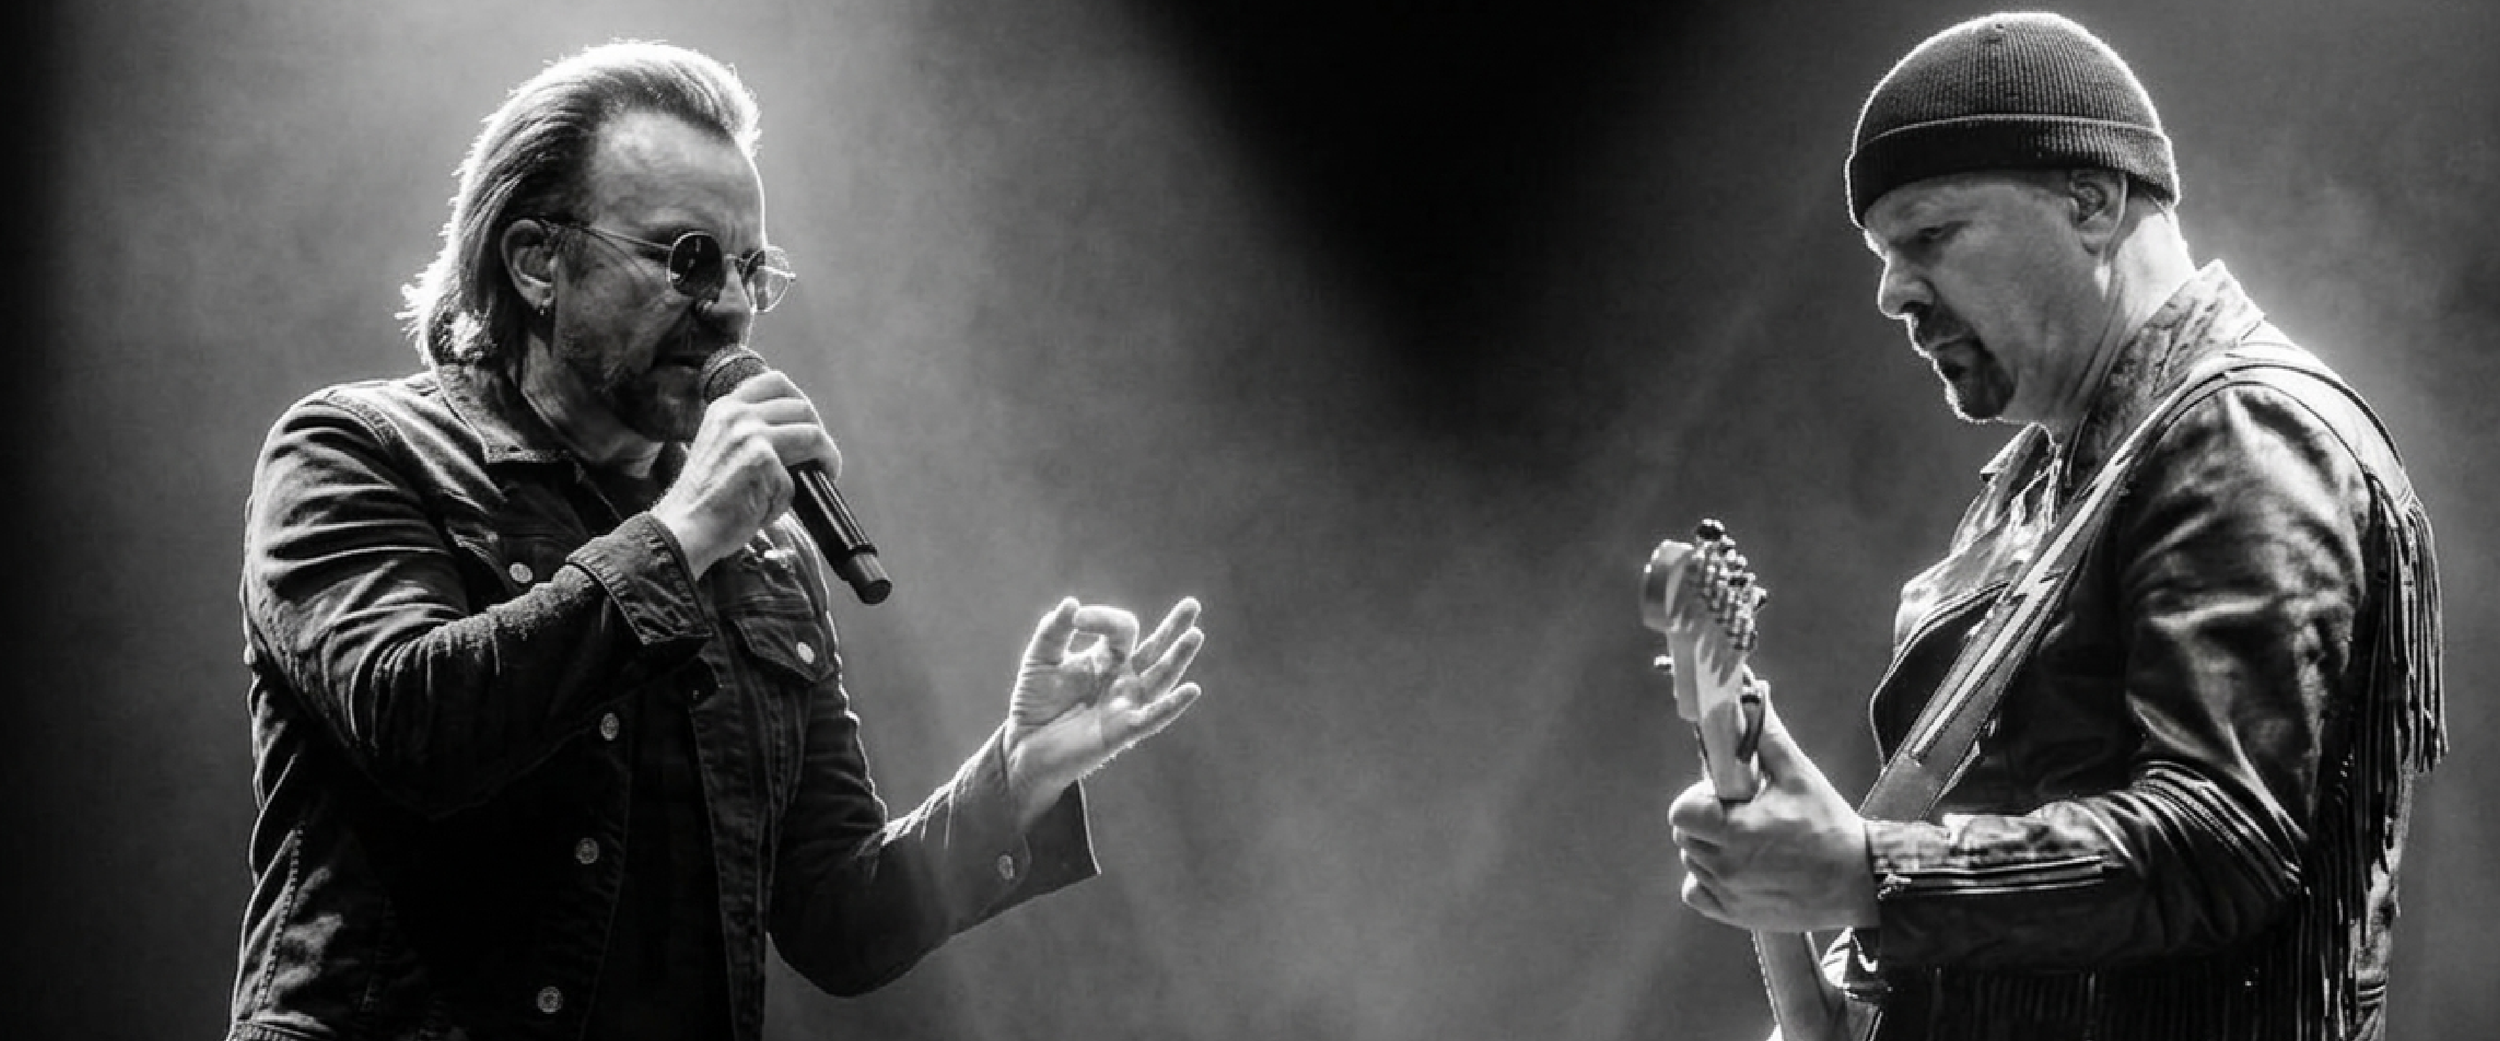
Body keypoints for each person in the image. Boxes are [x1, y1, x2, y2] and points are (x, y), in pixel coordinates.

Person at [230, 42, 1208, 1041]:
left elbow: (837, 920)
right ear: (535, 260)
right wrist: (681, 532)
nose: (733, 306)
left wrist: (1021, 773)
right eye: (687, 258)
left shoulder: (762, 555)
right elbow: (419, 727)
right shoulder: (354, 450)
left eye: (750, 270)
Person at [1667, 13, 2440, 1041]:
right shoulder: (2041, 477)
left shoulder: (2244, 435)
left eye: (1930, 236)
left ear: (2091, 198)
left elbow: (2217, 843)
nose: (1894, 292)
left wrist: (1865, 871)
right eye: (1882, 254)